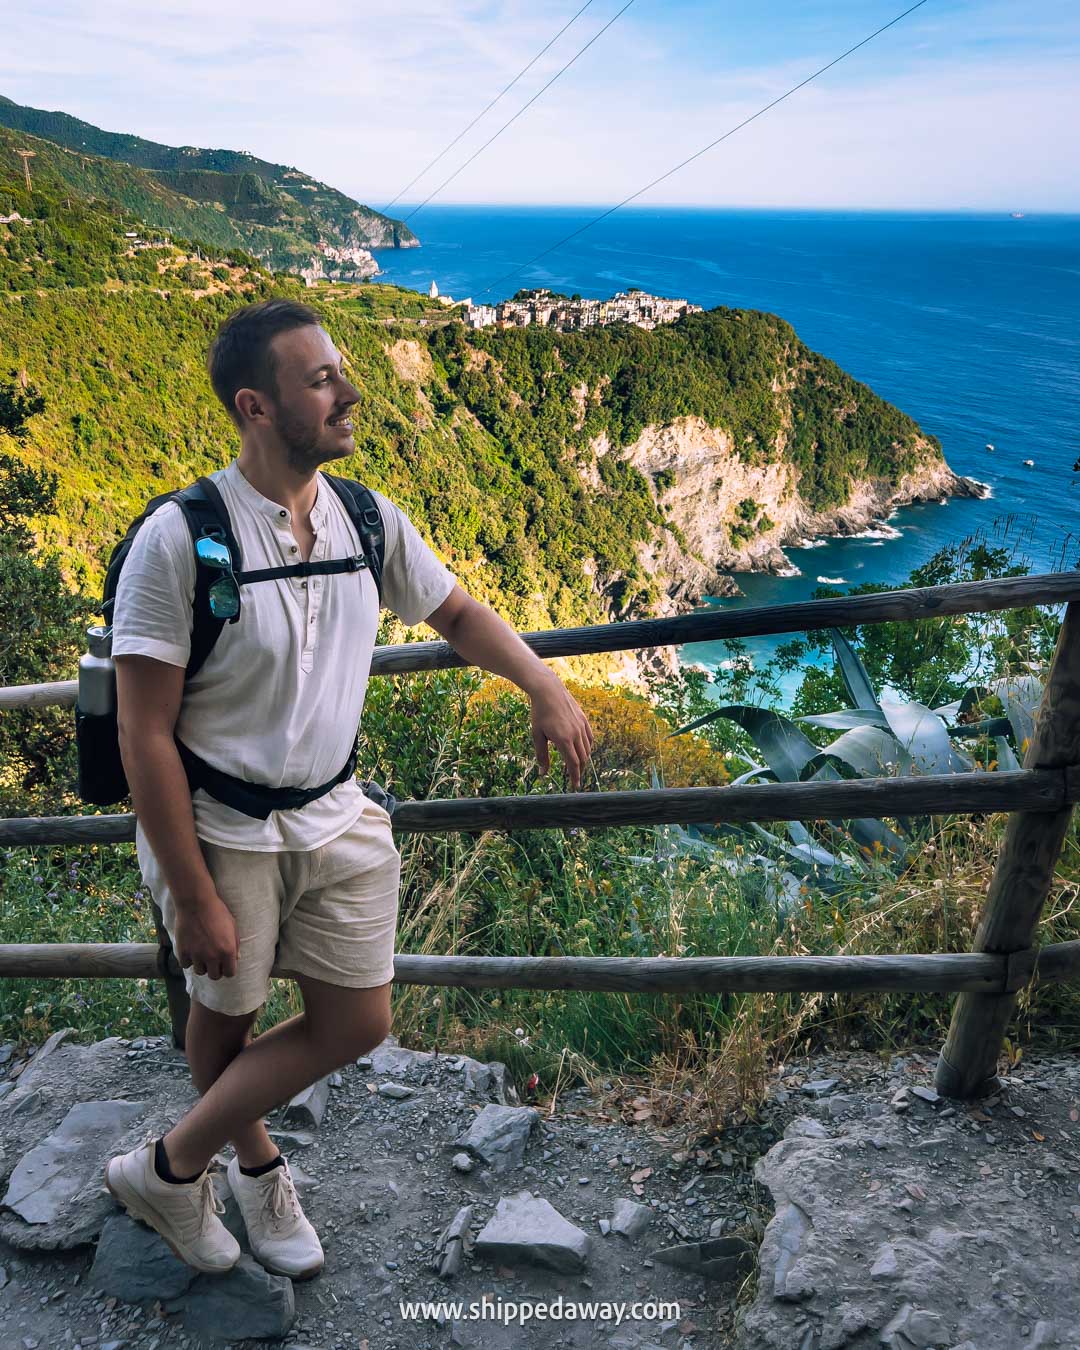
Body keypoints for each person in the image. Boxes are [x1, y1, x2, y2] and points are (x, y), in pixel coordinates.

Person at [103, 298, 595, 1280]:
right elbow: (143, 731)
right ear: (256, 406)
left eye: (340, 372)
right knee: (226, 1014)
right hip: (221, 823)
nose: (347, 391)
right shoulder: (179, 539)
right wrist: (192, 890)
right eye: (320, 378)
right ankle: (251, 1163)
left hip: (334, 810)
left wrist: (543, 682)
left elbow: (454, 612)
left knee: (359, 1019)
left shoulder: (366, 520)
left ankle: (167, 1166)